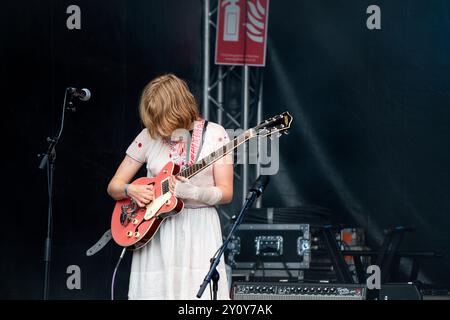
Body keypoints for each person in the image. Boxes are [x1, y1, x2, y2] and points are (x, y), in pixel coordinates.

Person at [107, 74, 233, 299]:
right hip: (156, 229)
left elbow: (226, 192)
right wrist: (130, 190)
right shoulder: (148, 135)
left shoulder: (215, 134)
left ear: (177, 110)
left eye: (161, 118)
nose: (157, 126)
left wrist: (195, 193)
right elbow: (114, 186)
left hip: (198, 228)